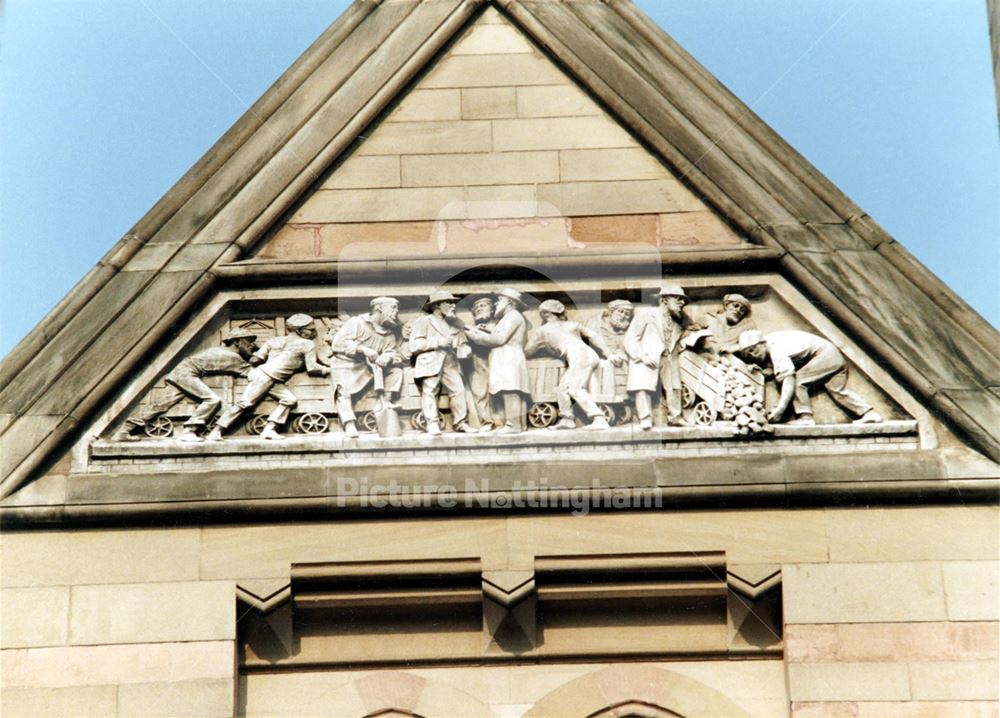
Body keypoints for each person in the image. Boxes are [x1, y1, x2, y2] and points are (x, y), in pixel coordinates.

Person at [113, 328, 258, 442]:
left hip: (182, 372)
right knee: (212, 400)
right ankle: (189, 430)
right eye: (249, 341)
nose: (254, 346)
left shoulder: (220, 351)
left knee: (160, 405)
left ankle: (124, 431)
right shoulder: (232, 357)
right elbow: (254, 374)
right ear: (237, 342)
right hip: (187, 373)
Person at [207, 313, 329, 440]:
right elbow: (312, 368)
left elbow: (255, 359)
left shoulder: (274, 341)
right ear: (299, 330)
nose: (313, 333)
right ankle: (216, 431)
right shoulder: (307, 344)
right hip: (265, 377)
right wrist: (327, 370)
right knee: (245, 403)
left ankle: (269, 429)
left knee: (289, 400)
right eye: (310, 330)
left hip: (267, 376)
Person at [736, 329, 882, 425]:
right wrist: (764, 373)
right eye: (749, 354)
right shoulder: (773, 344)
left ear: (762, 343)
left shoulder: (775, 347)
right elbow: (781, 367)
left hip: (825, 355)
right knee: (838, 391)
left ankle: (805, 417)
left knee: (798, 382)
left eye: (753, 349)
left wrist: (780, 409)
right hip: (831, 355)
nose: (753, 355)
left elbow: (788, 379)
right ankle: (870, 413)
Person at [524, 299, 611, 431]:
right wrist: (609, 353)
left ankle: (599, 419)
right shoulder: (573, 324)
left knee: (575, 388)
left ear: (545, 314)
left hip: (579, 357)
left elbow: (527, 352)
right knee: (561, 389)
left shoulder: (542, 331)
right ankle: (567, 419)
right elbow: (594, 336)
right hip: (587, 354)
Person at [328, 297, 404, 438]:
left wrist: (387, 356)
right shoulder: (357, 323)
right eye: (393, 307)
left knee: (396, 371)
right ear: (379, 308)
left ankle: (385, 403)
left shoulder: (389, 333)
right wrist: (363, 349)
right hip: (346, 364)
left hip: (372, 366)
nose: (396, 312)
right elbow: (337, 344)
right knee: (342, 388)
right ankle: (349, 423)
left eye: (397, 308)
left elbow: (392, 351)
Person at [625, 285, 694, 430]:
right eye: (677, 299)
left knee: (674, 386)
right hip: (647, 356)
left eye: (683, 300)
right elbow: (631, 338)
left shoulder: (679, 320)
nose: (682, 303)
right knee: (642, 386)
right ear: (664, 300)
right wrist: (641, 356)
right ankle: (645, 418)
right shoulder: (646, 314)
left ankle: (675, 417)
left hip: (669, 355)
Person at [463, 288, 531, 434]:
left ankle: (513, 425)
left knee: (510, 390)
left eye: (500, 300)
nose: (497, 303)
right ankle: (518, 425)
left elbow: (498, 339)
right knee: (510, 391)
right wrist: (480, 331)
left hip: (508, 358)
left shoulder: (512, 316)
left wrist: (473, 335)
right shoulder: (508, 317)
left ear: (509, 303)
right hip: (505, 357)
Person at [409, 291, 474, 436]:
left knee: (459, 391)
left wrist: (465, 347)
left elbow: (462, 342)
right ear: (437, 305)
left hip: (451, 363)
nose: (453, 305)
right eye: (449, 303)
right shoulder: (424, 321)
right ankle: (432, 423)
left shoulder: (454, 323)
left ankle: (460, 423)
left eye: (454, 303)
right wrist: (439, 342)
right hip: (431, 362)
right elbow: (414, 345)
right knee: (430, 391)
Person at [465, 296, 498, 431]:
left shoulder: (500, 325)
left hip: (496, 361)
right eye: (476, 308)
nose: (479, 309)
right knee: (479, 392)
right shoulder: (471, 328)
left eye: (483, 306)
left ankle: (502, 420)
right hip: (477, 362)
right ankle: (487, 421)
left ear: (492, 310)